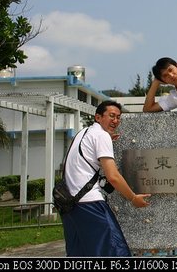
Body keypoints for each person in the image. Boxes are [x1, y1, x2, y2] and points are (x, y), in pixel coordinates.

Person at [61, 100, 151, 257]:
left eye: (118, 117)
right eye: (111, 116)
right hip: (90, 204)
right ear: (98, 117)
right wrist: (133, 198)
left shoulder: (83, 133)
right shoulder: (101, 136)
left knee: (80, 255)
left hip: (70, 205)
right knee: (116, 253)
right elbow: (113, 176)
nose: (115, 120)